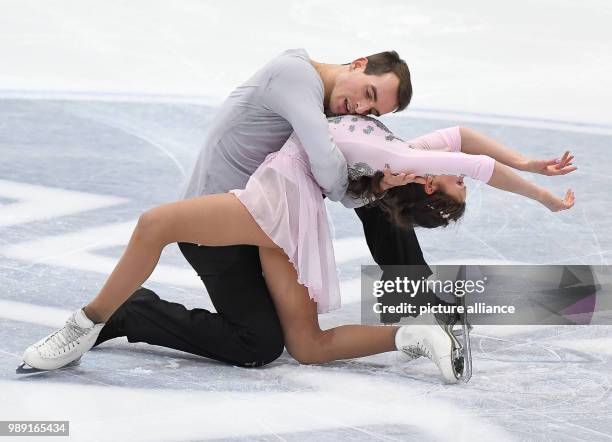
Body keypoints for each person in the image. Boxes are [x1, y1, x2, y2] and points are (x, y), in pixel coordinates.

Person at [22, 114, 576, 383]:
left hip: (281, 223)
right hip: (232, 219)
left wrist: (538, 184)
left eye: (457, 187)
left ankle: (416, 326)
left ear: (431, 186)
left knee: (277, 347)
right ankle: (114, 313)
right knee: (260, 344)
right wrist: (537, 180)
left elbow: (470, 157)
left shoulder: (404, 170)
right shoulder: (403, 159)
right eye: (460, 186)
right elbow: (470, 148)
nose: (465, 183)